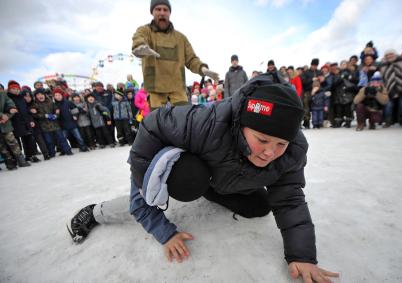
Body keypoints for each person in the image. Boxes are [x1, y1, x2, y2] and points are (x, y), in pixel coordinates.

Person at [67, 74, 339, 283]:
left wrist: (302, 256)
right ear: (241, 124)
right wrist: (161, 226)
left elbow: (289, 198)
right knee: (187, 180)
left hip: (222, 179)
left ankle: (209, 188)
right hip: (192, 169)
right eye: (262, 139)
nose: (270, 152)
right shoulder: (204, 123)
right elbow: (150, 135)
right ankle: (94, 212)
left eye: (281, 144)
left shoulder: (291, 151)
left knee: (260, 206)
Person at [131, 0, 219, 109]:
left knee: (183, 119)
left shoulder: (180, 38)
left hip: (177, 88)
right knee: (158, 122)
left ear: (169, 13)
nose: (162, 13)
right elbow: (138, 38)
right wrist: (139, 46)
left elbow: (192, 59)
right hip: (155, 88)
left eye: (165, 10)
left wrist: (203, 69)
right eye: (158, 9)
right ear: (152, 12)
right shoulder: (145, 31)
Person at [0, 89, 30, 170]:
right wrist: (1, 115)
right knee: (1, 146)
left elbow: (10, 104)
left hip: (5, 124)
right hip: (2, 119)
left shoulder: (2, 94)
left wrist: (8, 114)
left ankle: (21, 161)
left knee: (13, 142)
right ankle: (9, 163)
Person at [301, 58, 321, 129]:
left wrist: (321, 79)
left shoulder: (319, 72)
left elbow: (322, 81)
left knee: (317, 107)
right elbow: (303, 82)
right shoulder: (306, 72)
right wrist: (311, 80)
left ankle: (317, 123)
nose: (314, 67)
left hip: (317, 92)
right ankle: (306, 123)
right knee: (306, 107)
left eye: (316, 65)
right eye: (313, 65)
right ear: (311, 64)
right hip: (308, 92)